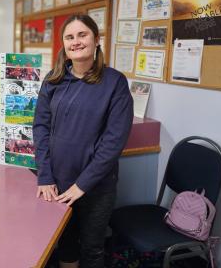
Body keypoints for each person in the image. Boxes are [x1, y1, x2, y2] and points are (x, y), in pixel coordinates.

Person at [33, 14, 134, 268]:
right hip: (57, 182)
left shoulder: (115, 82)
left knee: (92, 248)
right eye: (69, 37)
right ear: (64, 46)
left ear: (96, 40)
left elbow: (114, 141)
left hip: (96, 186)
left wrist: (83, 184)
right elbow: (41, 127)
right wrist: (45, 175)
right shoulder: (53, 80)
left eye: (82, 35)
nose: (76, 41)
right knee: (65, 244)